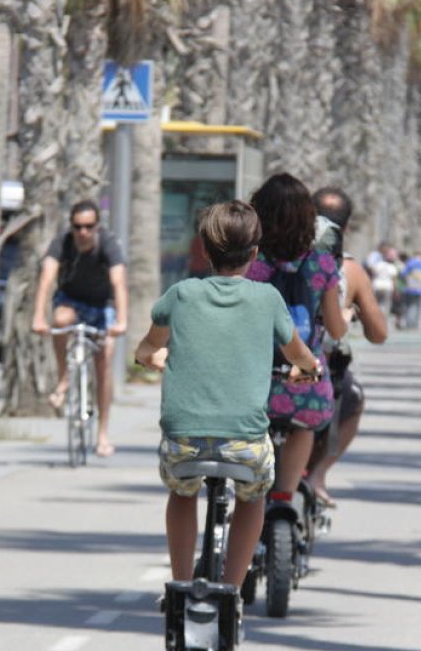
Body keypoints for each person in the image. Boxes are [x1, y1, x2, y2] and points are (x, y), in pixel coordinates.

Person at [134, 200, 321, 588]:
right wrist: (310, 368)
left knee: (182, 494)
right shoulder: (267, 298)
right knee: (254, 497)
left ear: (204, 249)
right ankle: (233, 591)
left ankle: (181, 587)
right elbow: (298, 354)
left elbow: (145, 351)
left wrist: (161, 357)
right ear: (255, 253)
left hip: (184, 441)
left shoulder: (181, 294)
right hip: (245, 443)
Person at [245, 173, 349, 510]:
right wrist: (346, 317)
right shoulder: (322, 264)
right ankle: (284, 497)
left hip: (253, 382)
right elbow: (335, 329)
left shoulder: (250, 265)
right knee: (304, 425)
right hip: (302, 379)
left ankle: (251, 495)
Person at [306, 188, 388, 507]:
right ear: (347, 228)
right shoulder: (348, 269)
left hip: (270, 367)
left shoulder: (277, 258)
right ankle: (318, 473)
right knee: (352, 400)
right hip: (322, 372)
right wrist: (353, 311)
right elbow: (378, 334)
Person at [32, 199, 128, 457]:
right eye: (77, 227)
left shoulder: (108, 243)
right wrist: (38, 317)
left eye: (88, 226)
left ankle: (102, 435)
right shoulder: (62, 243)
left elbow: (118, 282)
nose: (83, 232)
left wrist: (122, 321)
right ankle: (64, 378)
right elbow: (47, 278)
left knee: (104, 361)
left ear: (97, 226)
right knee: (61, 321)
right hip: (71, 300)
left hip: (101, 304)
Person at [401, 250, 421, 330]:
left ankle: (409, 323)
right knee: (419, 306)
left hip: (410, 288)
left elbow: (403, 274)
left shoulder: (410, 262)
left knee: (410, 306)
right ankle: (415, 324)